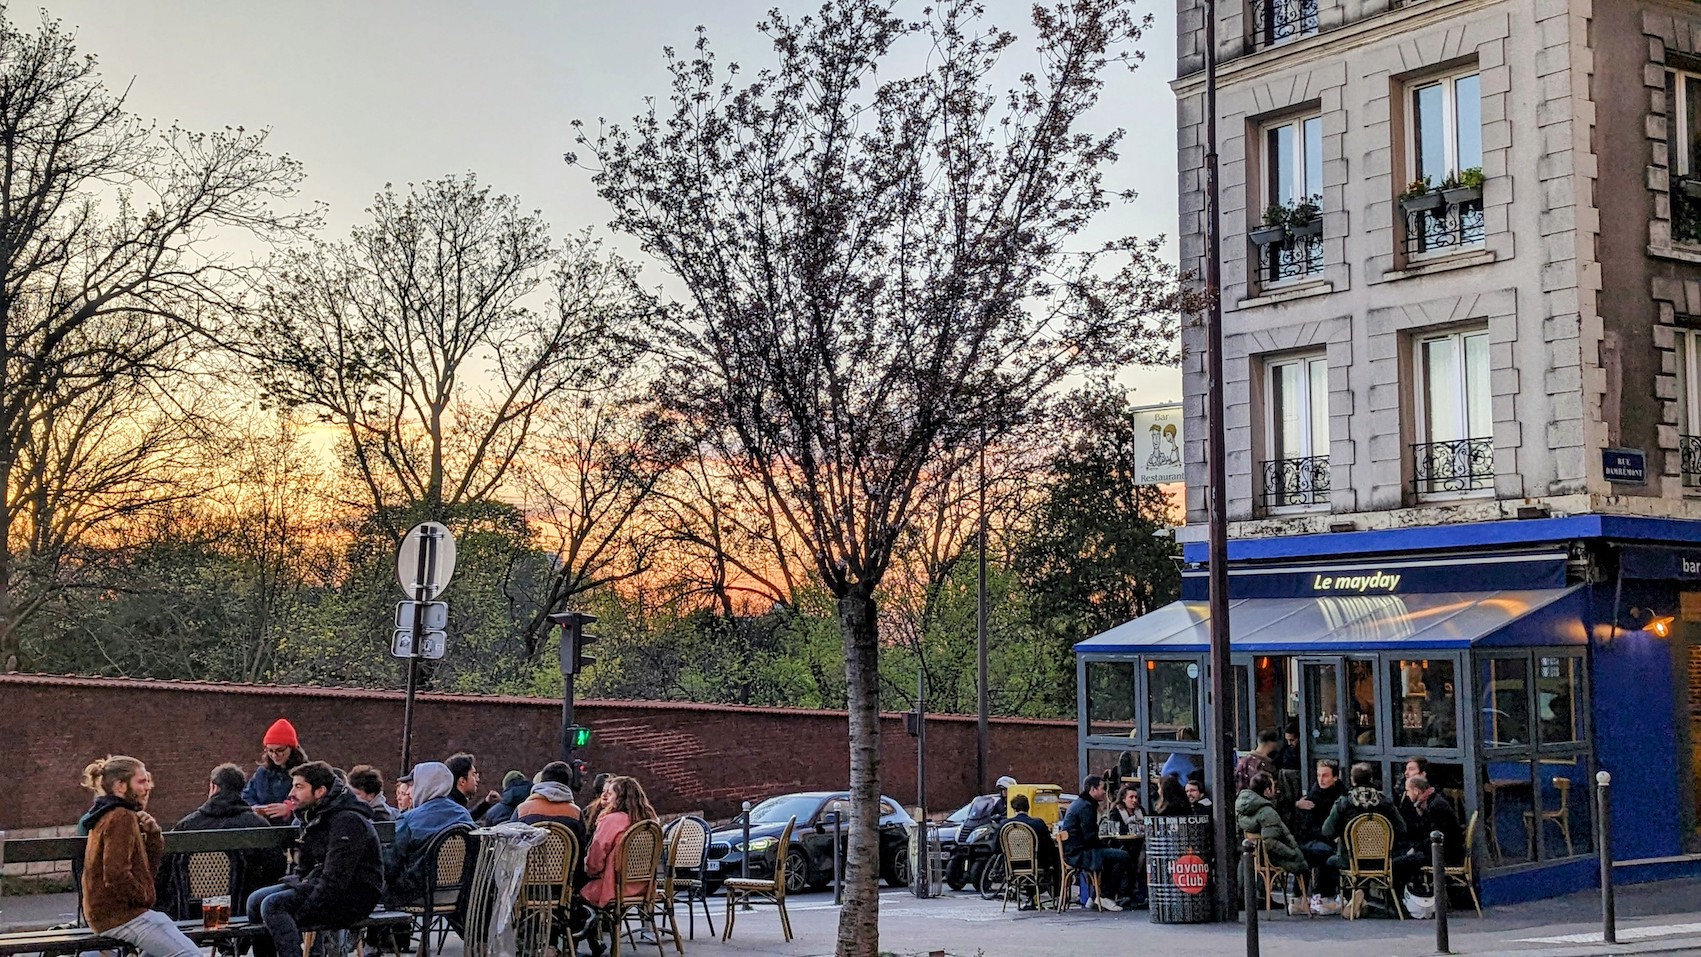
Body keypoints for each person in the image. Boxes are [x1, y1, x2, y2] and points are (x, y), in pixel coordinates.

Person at [245, 761, 385, 957]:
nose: (291, 793)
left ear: (320, 791)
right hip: (323, 884)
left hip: (353, 896)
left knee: (273, 905)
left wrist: (305, 908)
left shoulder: (348, 821)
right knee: (255, 900)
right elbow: (304, 868)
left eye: (299, 787)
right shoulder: (313, 816)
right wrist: (296, 884)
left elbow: (336, 878)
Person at [79, 756, 199, 957]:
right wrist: (143, 898)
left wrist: (152, 835)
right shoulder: (121, 817)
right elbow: (116, 874)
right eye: (141, 781)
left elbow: (145, 871)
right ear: (120, 786)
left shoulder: (109, 814)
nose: (149, 787)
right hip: (121, 916)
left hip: (112, 915)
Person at [162, 763, 288, 916]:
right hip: (242, 909)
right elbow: (276, 867)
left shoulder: (187, 825)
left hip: (192, 911)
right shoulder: (257, 825)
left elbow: (166, 867)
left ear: (214, 787)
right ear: (240, 790)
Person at [582, 777, 661, 952]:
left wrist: (588, 868)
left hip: (614, 887)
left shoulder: (611, 820)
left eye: (610, 794)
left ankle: (589, 942)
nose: (606, 797)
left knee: (576, 893)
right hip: (643, 887)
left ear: (619, 798)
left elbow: (595, 860)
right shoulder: (649, 821)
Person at [1321, 762, 1405, 918]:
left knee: (1329, 862)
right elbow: (1401, 829)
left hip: (1351, 861)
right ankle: (1361, 899)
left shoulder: (1344, 802)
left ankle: (1351, 897)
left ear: (1352, 780)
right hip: (1381, 861)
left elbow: (1327, 831)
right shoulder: (1384, 801)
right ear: (1371, 778)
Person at [385, 762, 474, 905]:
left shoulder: (409, 819)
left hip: (413, 893)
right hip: (457, 894)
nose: (408, 791)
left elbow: (391, 862)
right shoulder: (464, 815)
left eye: (412, 785)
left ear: (425, 785)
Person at [1236, 771, 1308, 914]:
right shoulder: (1267, 812)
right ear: (1267, 790)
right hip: (1269, 857)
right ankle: (1301, 902)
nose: (1276, 790)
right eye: (1273, 786)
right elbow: (1271, 842)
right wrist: (1292, 853)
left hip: (1252, 857)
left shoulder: (1243, 808)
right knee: (1305, 863)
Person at [1059, 775, 1130, 911]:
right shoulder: (1085, 807)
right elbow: (1089, 837)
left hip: (1074, 852)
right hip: (1081, 854)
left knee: (1111, 855)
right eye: (1102, 788)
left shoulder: (1081, 804)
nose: (1105, 792)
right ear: (1093, 789)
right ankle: (1105, 896)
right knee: (1123, 856)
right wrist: (1104, 845)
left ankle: (1093, 897)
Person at [1392, 774, 1463, 897]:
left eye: (1408, 791)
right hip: (1436, 851)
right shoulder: (1429, 802)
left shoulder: (1435, 806)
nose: (1406, 794)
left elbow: (1434, 837)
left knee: (1396, 864)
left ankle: (1399, 901)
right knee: (1400, 856)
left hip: (1444, 855)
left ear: (1416, 790)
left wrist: (1414, 849)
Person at [1294, 759, 1346, 915]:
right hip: (1313, 839)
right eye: (1318, 775)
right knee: (1325, 853)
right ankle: (1323, 897)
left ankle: (1308, 898)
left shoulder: (1342, 796)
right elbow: (1306, 827)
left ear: (1335, 777)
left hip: (1329, 839)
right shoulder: (1312, 797)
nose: (1321, 779)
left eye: (1325, 775)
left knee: (1327, 852)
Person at [243, 718, 307, 823]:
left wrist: (290, 808)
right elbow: (246, 796)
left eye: (280, 750)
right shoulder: (262, 773)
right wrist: (254, 808)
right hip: (264, 827)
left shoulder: (306, 772)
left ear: (292, 748)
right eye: (270, 751)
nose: (274, 755)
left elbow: (314, 799)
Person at [1004, 794, 1056, 910]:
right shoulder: (1038, 823)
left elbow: (996, 848)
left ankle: (1029, 898)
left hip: (1013, 867)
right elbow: (1049, 846)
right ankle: (1057, 896)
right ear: (1028, 807)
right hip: (1035, 865)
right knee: (1055, 859)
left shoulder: (1005, 825)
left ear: (1014, 809)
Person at [445, 752, 500, 820]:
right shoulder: (452, 809)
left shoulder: (452, 805)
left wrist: (486, 803)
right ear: (462, 781)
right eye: (473, 774)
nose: (477, 779)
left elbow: (467, 818)